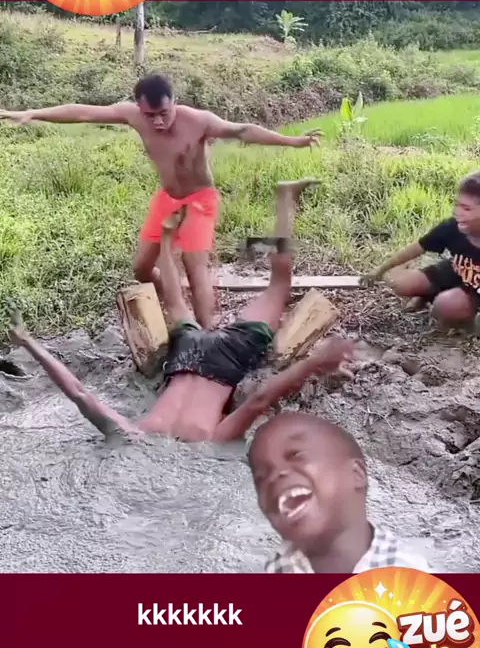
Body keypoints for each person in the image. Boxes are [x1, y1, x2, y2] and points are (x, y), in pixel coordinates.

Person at [8, 180, 355, 444]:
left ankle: (284, 200)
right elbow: (79, 393)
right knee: (175, 303)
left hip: (226, 361)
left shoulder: (202, 440)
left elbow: (260, 400)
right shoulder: (134, 433)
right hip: (185, 355)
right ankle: (167, 236)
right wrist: (27, 341)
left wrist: (315, 362)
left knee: (279, 284)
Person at [0, 75, 321, 329]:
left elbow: (242, 130)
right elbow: (82, 111)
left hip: (200, 200)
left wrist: (293, 141)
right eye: (149, 115)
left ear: (174, 103)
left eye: (163, 113)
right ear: (139, 109)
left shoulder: (199, 121)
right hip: (167, 199)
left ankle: (206, 330)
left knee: (195, 268)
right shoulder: (132, 115)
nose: (156, 122)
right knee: (141, 269)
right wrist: (34, 113)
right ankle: (173, 298)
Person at [248, 412, 430, 573]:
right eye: (261, 477)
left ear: (356, 474)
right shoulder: (279, 565)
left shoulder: (412, 580)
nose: (276, 474)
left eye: (297, 455)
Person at [361, 171, 480, 325]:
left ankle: (461, 314)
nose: (457, 212)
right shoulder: (451, 227)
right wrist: (378, 271)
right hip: (458, 271)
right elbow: (415, 249)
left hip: (474, 291)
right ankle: (428, 294)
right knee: (398, 281)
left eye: (466, 209)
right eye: (457, 205)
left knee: (447, 307)